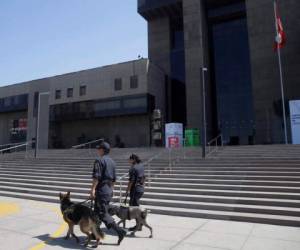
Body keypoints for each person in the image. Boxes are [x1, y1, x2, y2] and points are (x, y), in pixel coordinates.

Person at [90, 142, 126, 245]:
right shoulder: (112, 162)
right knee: (97, 212)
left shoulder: (99, 161)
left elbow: (96, 176)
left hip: (101, 190)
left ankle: (120, 231)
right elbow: (114, 179)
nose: (97, 150)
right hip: (108, 189)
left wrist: (92, 189)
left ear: (102, 150)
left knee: (102, 213)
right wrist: (112, 189)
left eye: (99, 149)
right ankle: (94, 233)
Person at [125, 154, 145, 231]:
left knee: (134, 209)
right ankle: (140, 224)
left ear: (133, 160)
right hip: (140, 189)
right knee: (136, 207)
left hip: (135, 190)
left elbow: (131, 181)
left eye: (129, 159)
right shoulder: (141, 166)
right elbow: (144, 177)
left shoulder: (133, 168)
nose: (128, 160)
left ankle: (139, 225)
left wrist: (127, 191)